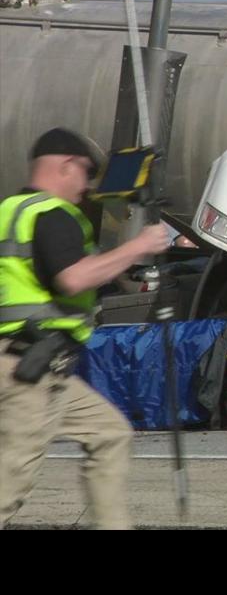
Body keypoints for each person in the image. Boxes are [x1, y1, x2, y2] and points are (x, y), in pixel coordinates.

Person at [0, 127, 169, 529]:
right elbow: (73, 279)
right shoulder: (52, 213)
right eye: (87, 173)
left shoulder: (11, 209)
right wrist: (138, 246)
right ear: (66, 166)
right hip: (31, 371)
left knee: (110, 433)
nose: (88, 185)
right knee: (11, 482)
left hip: (34, 363)